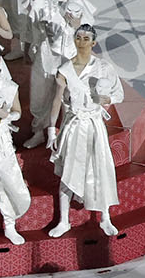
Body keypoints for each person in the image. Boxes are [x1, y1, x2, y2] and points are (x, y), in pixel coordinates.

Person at [43, 25, 121, 235]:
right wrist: (52, 130)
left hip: (94, 124)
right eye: (78, 37)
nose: (82, 41)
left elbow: (118, 93)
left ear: (93, 42)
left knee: (99, 168)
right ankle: (64, 220)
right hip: (74, 124)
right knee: (69, 170)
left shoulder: (103, 68)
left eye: (87, 38)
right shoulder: (65, 69)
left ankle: (105, 216)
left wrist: (108, 99)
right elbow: (57, 101)